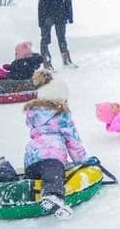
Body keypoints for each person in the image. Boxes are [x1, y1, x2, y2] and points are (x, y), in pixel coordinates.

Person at [23, 70, 86, 219]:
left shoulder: (34, 112)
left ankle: (31, 191)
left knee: (40, 176)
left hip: (31, 157)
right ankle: (52, 195)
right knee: (53, 176)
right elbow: (73, 142)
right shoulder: (63, 117)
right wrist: (82, 162)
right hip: (52, 155)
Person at [32, 0, 75, 70]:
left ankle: (66, 60)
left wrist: (68, 10)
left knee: (62, 36)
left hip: (59, 10)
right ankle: (47, 63)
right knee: (45, 38)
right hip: (46, 11)